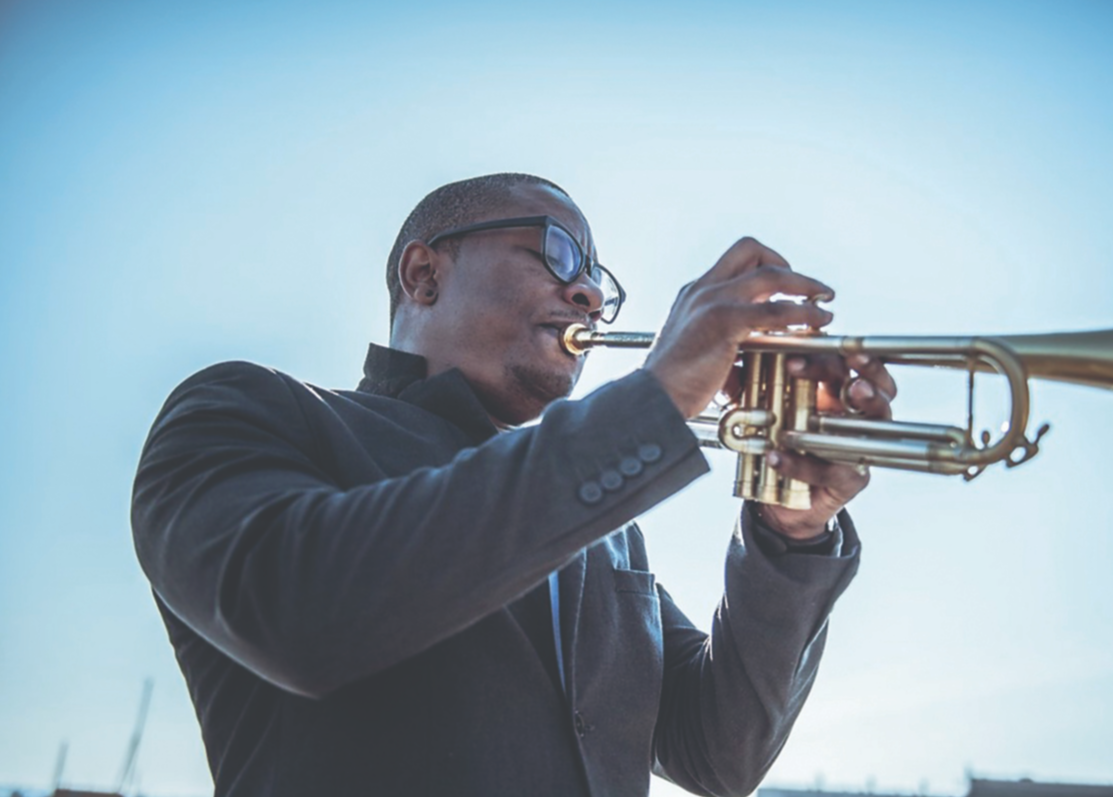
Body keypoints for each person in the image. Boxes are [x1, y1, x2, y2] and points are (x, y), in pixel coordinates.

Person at [131, 173, 896, 796]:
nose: (589, 294)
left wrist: (789, 526)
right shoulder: (249, 408)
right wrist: (654, 400)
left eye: (599, 280)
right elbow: (299, 616)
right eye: (559, 252)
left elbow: (716, 752)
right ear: (424, 274)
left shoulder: (600, 523)